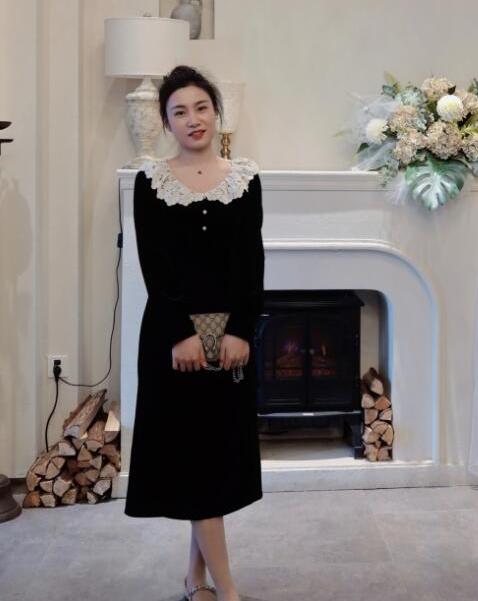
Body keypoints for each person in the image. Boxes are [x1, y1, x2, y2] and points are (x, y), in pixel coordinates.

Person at [123, 65, 265, 601]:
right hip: (173, 342)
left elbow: (251, 264)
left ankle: (196, 579)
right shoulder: (150, 181)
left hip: (230, 341)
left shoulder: (245, 179)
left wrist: (242, 331)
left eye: (201, 107)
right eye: (179, 112)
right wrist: (181, 334)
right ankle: (227, 591)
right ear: (166, 123)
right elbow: (154, 268)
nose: (193, 119)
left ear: (216, 112)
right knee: (196, 463)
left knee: (214, 462)